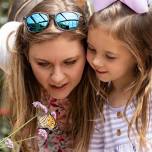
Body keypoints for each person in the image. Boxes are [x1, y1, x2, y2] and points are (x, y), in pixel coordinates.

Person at [2, 0, 90, 151]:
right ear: (26, 58)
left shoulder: (107, 92)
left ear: (88, 52)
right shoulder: (25, 85)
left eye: (70, 62)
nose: (57, 77)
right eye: (43, 64)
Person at [74, 0, 152, 152]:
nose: (96, 61)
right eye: (91, 49)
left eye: (110, 56)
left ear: (139, 54)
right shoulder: (99, 103)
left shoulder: (148, 95)